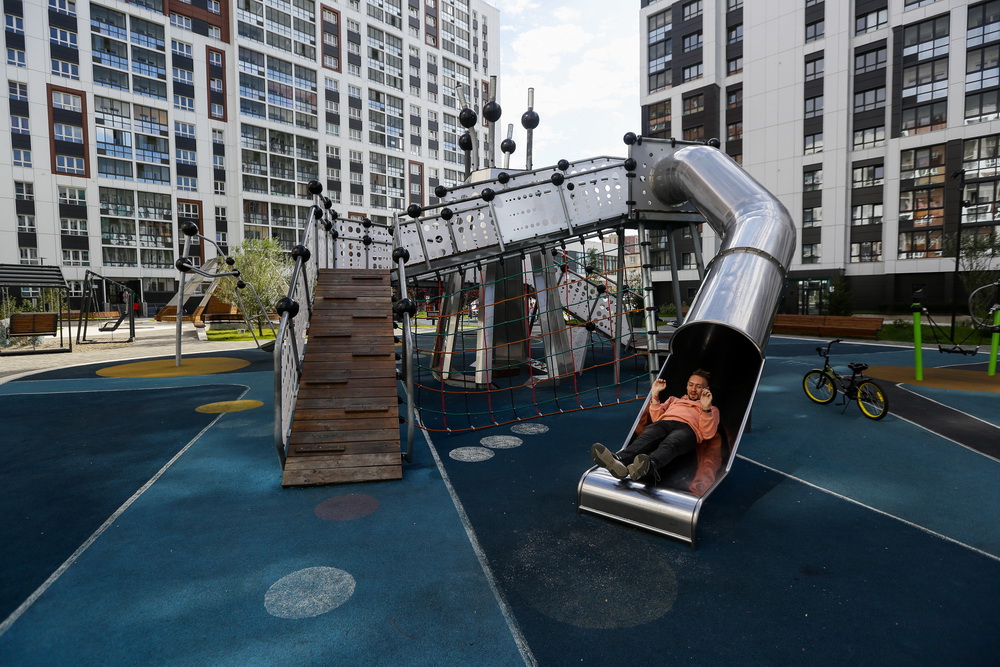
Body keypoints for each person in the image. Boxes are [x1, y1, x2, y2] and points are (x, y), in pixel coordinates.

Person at [591, 369, 720, 483]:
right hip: (664, 422)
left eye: (698, 386)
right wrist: (655, 394)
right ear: (686, 385)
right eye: (691, 385)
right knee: (647, 436)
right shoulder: (674, 400)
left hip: (687, 429)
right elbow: (656, 418)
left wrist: (705, 408)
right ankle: (619, 460)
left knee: (672, 442)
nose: (693, 389)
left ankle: (648, 465)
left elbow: (707, 433)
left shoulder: (711, 409)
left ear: (706, 389)